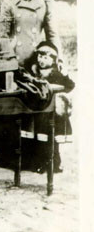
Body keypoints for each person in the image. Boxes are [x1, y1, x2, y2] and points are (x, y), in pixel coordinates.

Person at [0, 0, 63, 163]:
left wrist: (58, 57)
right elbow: (1, 36)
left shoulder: (44, 5)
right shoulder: (9, 5)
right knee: (14, 110)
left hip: (38, 64)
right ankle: (12, 156)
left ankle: (42, 157)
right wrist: (10, 57)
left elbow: (52, 34)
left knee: (41, 108)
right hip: (16, 64)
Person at [23, 41, 75, 173]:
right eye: (40, 56)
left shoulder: (56, 73)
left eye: (45, 57)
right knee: (38, 140)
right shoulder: (34, 73)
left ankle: (54, 164)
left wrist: (63, 79)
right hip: (38, 113)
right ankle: (38, 164)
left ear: (53, 60)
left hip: (51, 114)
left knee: (51, 141)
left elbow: (70, 85)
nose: (41, 60)